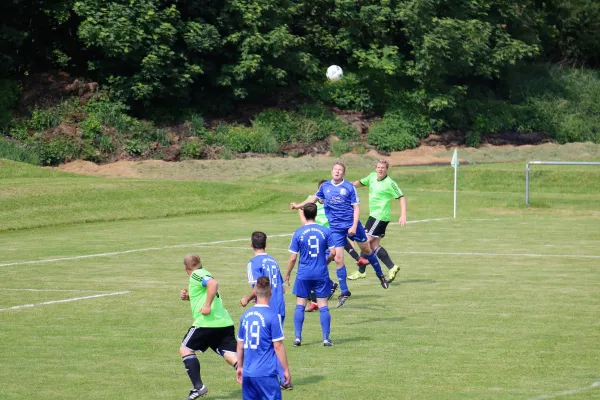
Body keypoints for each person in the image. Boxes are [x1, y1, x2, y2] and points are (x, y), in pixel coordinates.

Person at [290, 161, 389, 308]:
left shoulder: (349, 187)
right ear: (332, 171)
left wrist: (354, 226)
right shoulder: (325, 187)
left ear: (343, 173)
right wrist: (298, 205)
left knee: (366, 250)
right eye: (335, 169)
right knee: (337, 258)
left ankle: (380, 275)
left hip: (351, 225)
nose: (337, 172)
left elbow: (356, 208)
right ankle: (344, 291)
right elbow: (313, 199)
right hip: (335, 228)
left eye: (340, 170)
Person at [298, 179, 367, 312]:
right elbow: (301, 209)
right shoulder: (311, 200)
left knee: (316, 267)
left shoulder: (334, 201)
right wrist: (305, 223)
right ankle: (326, 289)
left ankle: (316, 300)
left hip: (329, 239)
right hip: (317, 238)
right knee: (315, 267)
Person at [179, 254, 238, 400]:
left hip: (206, 323)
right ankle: (259, 379)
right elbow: (205, 290)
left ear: (186, 268)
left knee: (185, 349)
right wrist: (189, 297)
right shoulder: (204, 272)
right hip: (224, 322)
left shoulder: (196, 275)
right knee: (231, 355)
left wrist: (206, 306)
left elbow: (213, 284)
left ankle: (198, 387)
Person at [239, 231, 290, 389]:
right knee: (275, 343)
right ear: (266, 244)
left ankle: (281, 379)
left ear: (251, 244)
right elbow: (281, 286)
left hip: (266, 308)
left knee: (267, 345)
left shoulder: (253, 263)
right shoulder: (273, 261)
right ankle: (280, 378)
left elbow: (257, 286)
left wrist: (247, 298)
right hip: (279, 304)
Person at [285, 202, 335, 346]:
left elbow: (293, 257)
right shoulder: (325, 231)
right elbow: (333, 252)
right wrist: (326, 262)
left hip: (303, 274)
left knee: (300, 305)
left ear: (304, 215)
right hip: (321, 273)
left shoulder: (298, 232)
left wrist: (288, 274)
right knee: (323, 305)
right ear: (315, 214)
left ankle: (297, 338)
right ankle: (326, 338)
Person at [349, 159, 406, 282]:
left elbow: (401, 197)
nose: (380, 169)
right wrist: (349, 185)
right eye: (378, 167)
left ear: (386, 169)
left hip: (379, 216)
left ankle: (361, 271)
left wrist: (403, 214)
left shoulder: (390, 183)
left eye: (383, 168)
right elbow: (360, 182)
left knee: (365, 242)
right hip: (375, 216)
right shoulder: (372, 176)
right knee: (374, 245)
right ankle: (392, 267)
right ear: (376, 168)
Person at [237, 276, 292, 400]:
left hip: (248, 373)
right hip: (266, 373)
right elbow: (278, 346)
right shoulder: (273, 316)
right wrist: (285, 370)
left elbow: (240, 345)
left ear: (255, 293)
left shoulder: (245, 316)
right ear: (271, 293)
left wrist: (240, 367)